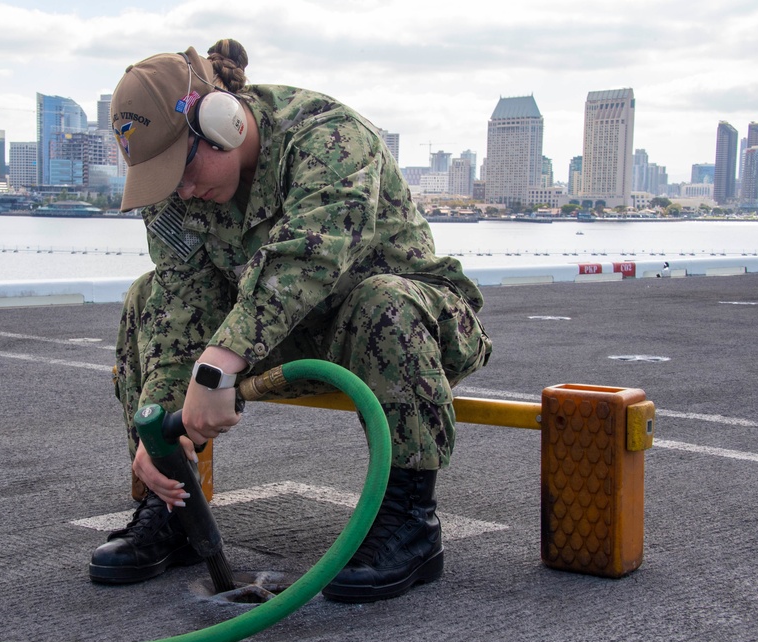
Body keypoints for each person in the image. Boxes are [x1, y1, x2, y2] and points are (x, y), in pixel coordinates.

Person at [88, 39, 492, 603]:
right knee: (146, 294)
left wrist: (217, 366)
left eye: (182, 166)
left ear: (222, 122)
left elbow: (310, 257)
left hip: (412, 328)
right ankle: (172, 509)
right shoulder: (178, 191)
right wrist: (159, 428)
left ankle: (410, 522)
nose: (181, 190)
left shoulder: (329, 137)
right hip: (287, 340)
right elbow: (180, 299)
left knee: (382, 301)